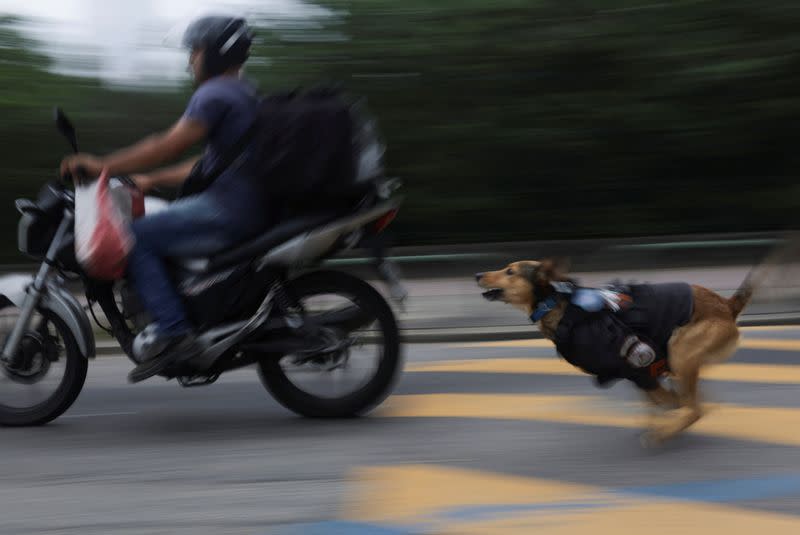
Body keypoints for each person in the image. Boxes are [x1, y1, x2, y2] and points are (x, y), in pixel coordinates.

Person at [60, 16, 269, 383]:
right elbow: (204, 165)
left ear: (215, 54)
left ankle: (174, 332)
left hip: (229, 211)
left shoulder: (214, 93)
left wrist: (99, 165)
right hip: (243, 207)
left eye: (195, 51)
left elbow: (165, 145)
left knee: (136, 237)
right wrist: (151, 179)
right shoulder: (243, 92)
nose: (190, 60)